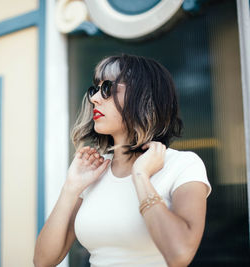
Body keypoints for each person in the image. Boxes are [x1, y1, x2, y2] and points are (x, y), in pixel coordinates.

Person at [33, 54, 211, 267]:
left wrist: (141, 176)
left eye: (107, 88)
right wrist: (70, 188)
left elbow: (179, 255)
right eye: (94, 90)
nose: (94, 98)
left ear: (144, 96)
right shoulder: (95, 171)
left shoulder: (182, 165)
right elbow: (43, 261)